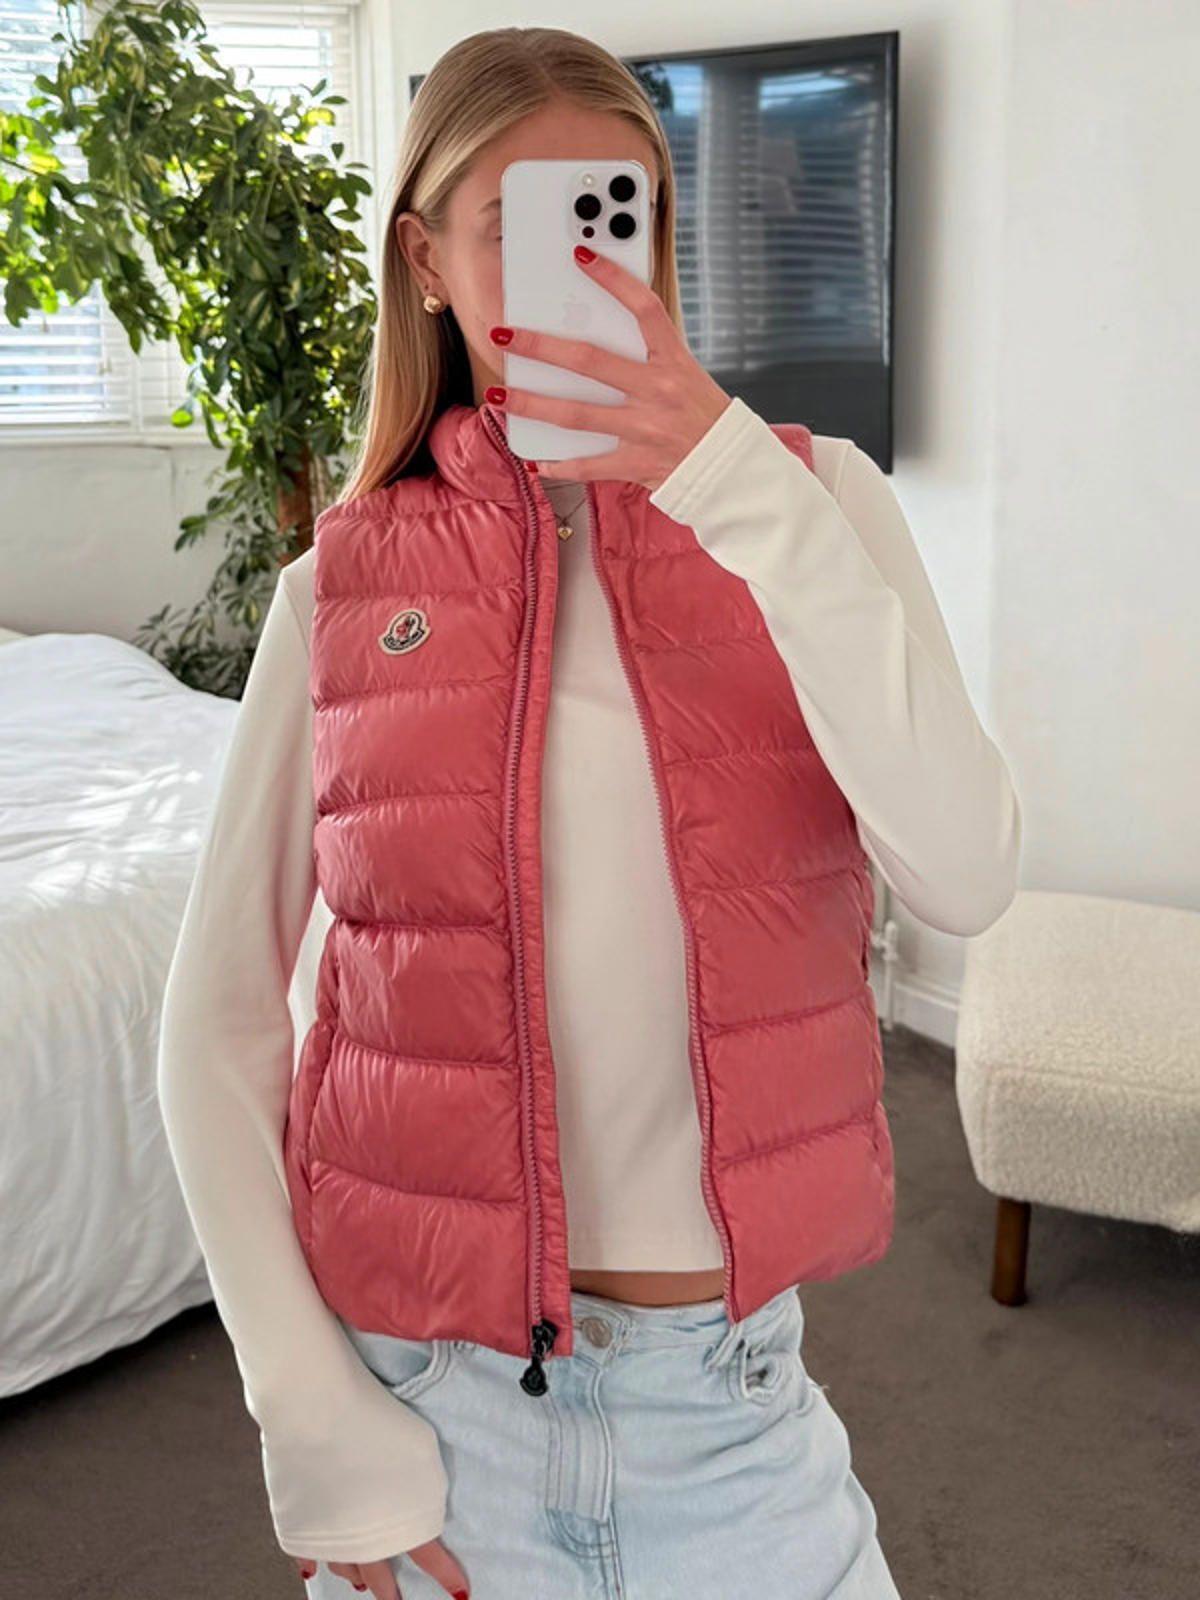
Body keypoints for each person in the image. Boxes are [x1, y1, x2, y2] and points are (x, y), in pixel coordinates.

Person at [157, 25, 1021, 1600]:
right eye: (521, 225)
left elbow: (965, 874)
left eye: (618, 216)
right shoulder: (334, 587)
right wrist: (315, 1424)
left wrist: (732, 483)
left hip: (732, 1417)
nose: (588, 272)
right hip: (429, 1418)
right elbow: (216, 1027)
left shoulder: (816, 505)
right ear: (426, 260)